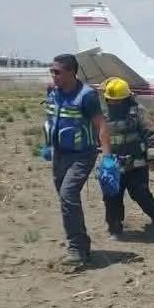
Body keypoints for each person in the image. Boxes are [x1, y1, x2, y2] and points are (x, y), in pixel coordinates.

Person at [43, 54, 113, 266]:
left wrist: (107, 157)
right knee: (66, 200)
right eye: (51, 71)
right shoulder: (52, 91)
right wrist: (47, 143)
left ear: (72, 72)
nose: (53, 75)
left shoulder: (87, 96)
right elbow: (52, 117)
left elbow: (101, 125)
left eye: (57, 72)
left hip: (82, 155)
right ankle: (81, 245)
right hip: (59, 154)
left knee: (68, 195)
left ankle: (76, 248)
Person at [99, 77, 154, 238]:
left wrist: (153, 157)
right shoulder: (103, 115)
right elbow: (98, 137)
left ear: (126, 98)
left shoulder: (138, 112)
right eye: (110, 100)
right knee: (112, 197)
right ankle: (115, 227)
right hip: (113, 165)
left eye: (117, 101)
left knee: (140, 194)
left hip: (137, 164)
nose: (113, 103)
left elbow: (152, 134)